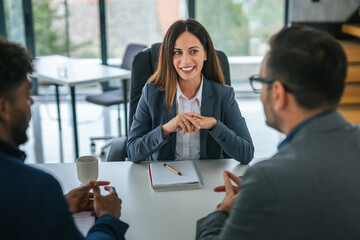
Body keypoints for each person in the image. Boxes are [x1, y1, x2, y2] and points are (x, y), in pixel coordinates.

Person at [196, 25, 360, 239]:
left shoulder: (267, 179)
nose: (261, 95)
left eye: (261, 82)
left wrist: (223, 211)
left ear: (278, 93)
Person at [0, 38, 129, 239]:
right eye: (26, 96)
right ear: (4, 108)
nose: (31, 102)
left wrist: (52, 208)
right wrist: (109, 218)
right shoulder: (36, 187)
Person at [127, 19, 254, 163]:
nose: (185, 61)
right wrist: (166, 129)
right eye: (177, 52)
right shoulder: (151, 93)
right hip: (165, 176)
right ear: (169, 56)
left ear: (205, 53)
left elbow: (246, 153)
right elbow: (132, 151)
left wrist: (214, 125)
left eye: (193, 51)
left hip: (209, 178)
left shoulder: (223, 95)